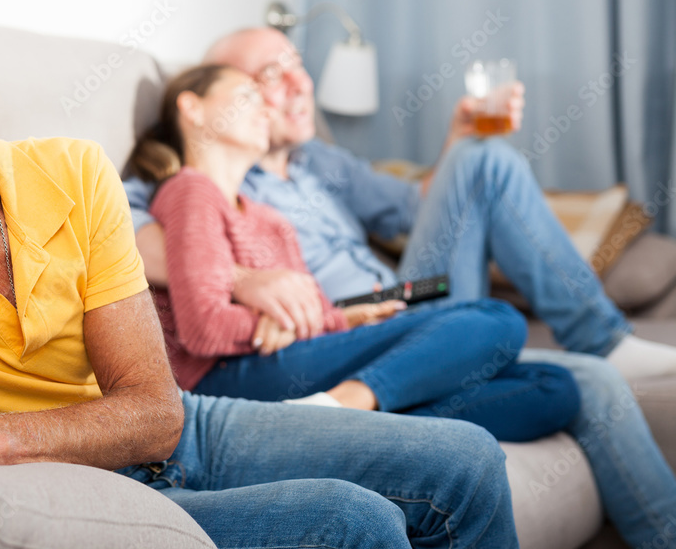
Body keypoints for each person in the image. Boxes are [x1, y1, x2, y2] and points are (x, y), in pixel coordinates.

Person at [0, 0, 520, 549]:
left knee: (468, 458)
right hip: (69, 488)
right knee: (355, 522)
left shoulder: (73, 170)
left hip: (178, 430)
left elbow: (152, 412)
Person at [124, 27, 676, 547]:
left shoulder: (315, 163)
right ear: (200, 103)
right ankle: (593, 341)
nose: (295, 85)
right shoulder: (190, 184)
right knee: (554, 357)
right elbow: (126, 241)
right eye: (267, 77)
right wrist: (245, 282)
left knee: (559, 382)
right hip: (325, 331)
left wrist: (456, 138)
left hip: (388, 305)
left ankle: (373, 401)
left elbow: (418, 209)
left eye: (297, 65)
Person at [128, 63, 580, 442]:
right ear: (192, 108)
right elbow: (204, 330)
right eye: (248, 95)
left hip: (297, 357)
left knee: (553, 388)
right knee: (498, 320)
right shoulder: (190, 192)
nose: (265, 107)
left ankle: (346, 419)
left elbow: (318, 311)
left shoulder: (270, 219)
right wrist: (289, 322)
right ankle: (346, 407)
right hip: (228, 377)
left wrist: (335, 319)